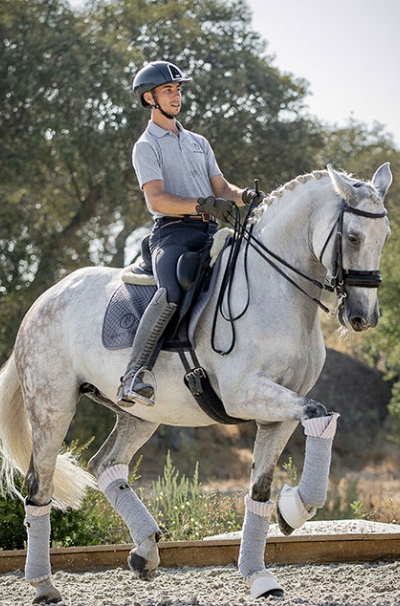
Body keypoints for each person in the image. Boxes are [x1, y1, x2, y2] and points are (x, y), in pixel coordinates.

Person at [116, 60, 264, 408]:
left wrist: (244, 196)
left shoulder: (198, 142)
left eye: (178, 89)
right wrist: (202, 205)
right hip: (173, 234)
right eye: (168, 90)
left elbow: (222, 187)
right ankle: (134, 375)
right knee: (172, 289)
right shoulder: (146, 146)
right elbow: (157, 198)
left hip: (211, 229)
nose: (176, 95)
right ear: (149, 98)